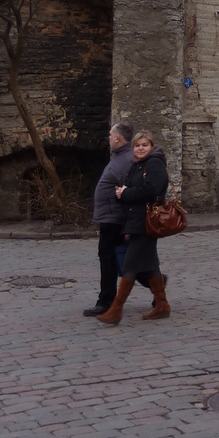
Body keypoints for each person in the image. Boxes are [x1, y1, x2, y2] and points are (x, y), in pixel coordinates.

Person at [97, 131, 171, 324]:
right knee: (151, 266)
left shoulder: (154, 163)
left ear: (151, 147)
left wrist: (126, 193)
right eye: (137, 145)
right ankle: (162, 305)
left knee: (130, 266)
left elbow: (151, 190)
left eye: (145, 145)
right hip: (136, 221)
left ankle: (116, 309)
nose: (140, 148)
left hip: (147, 222)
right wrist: (121, 193)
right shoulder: (136, 165)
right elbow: (129, 190)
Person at [83, 121, 136, 317]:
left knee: (108, 257)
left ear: (117, 138)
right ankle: (156, 281)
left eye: (110, 134)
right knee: (124, 258)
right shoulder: (120, 158)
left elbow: (127, 189)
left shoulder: (124, 160)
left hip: (115, 218)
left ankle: (106, 300)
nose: (108, 138)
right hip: (112, 216)